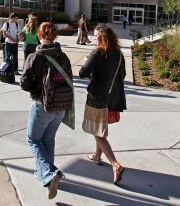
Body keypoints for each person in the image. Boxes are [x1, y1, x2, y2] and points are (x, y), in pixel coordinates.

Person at [20, 22, 73, 200]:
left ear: (39, 36)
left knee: (33, 140)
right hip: (61, 106)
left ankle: (49, 174)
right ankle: (47, 175)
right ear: (55, 36)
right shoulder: (63, 56)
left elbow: (24, 83)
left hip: (42, 105)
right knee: (48, 140)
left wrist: (36, 89)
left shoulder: (35, 57)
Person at [79, 24, 127, 185]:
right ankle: (97, 155)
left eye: (95, 36)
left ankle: (115, 164)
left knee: (97, 132)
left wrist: (87, 61)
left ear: (101, 38)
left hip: (97, 97)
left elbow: (82, 73)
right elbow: (123, 74)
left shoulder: (97, 53)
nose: (94, 38)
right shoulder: (119, 54)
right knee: (100, 129)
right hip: (112, 97)